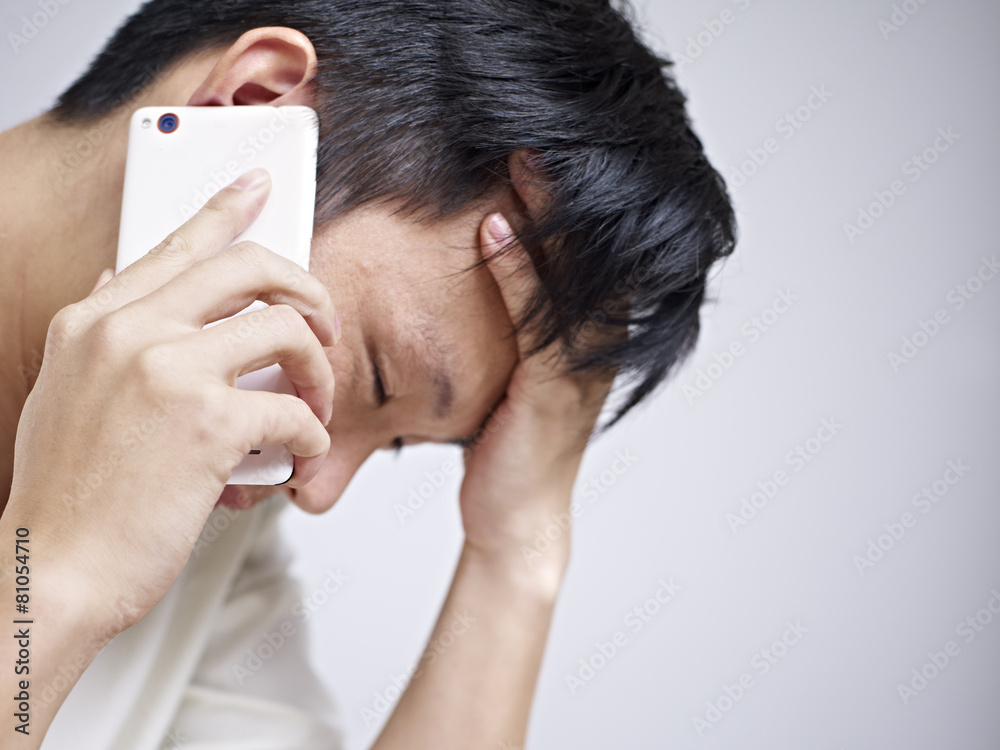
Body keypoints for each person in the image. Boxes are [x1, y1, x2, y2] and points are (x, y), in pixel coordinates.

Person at [0, 0, 736, 746]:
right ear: (250, 107)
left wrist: (514, 553)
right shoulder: (133, 524)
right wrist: (55, 587)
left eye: (390, 444)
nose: (316, 488)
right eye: (379, 380)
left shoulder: (196, 537)